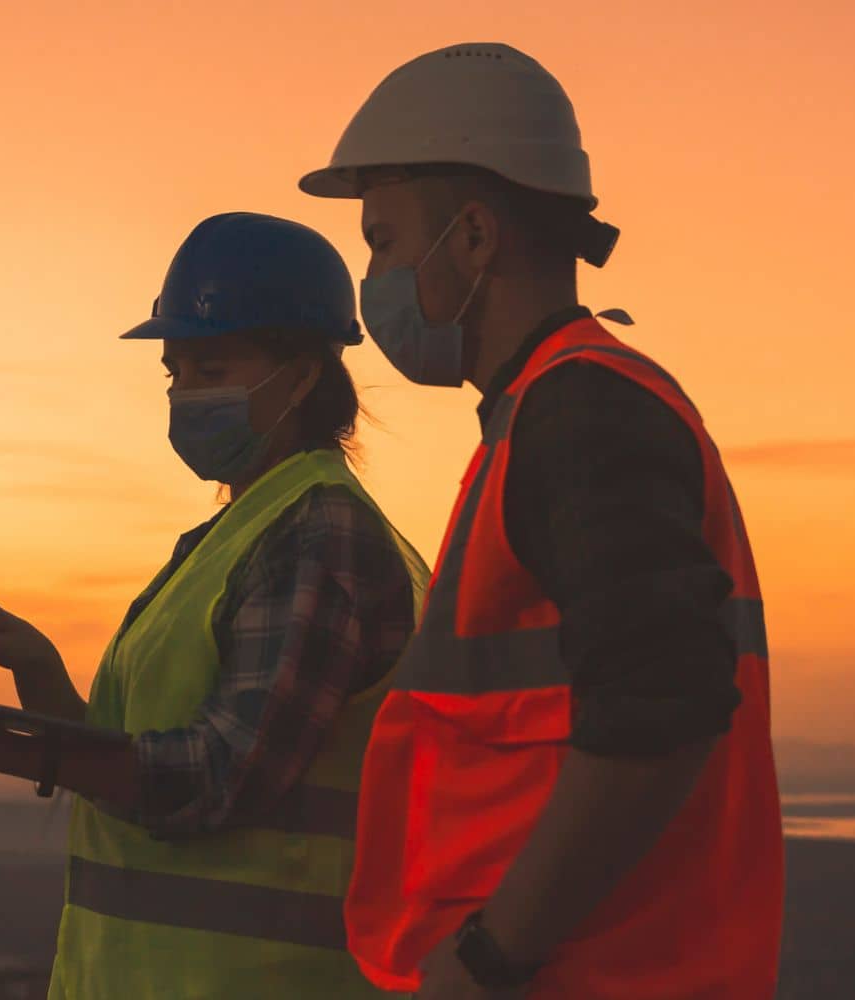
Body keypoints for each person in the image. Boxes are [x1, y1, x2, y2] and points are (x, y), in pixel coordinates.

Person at [296, 43, 783, 998]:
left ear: (474, 237)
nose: (375, 279)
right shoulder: (544, 415)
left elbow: (663, 703)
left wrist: (490, 956)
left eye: (385, 242)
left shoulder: (581, 415)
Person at [0, 211, 430, 999]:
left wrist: (15, 746)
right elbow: (143, 765)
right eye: (176, 373)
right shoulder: (241, 534)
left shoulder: (317, 535)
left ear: (305, 373)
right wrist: (41, 676)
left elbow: (218, 776)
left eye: (212, 369)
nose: (185, 395)